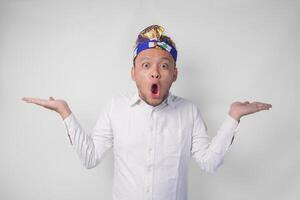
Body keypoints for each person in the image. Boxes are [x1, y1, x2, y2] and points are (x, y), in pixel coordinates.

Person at [22, 25, 272, 200]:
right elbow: (90, 158)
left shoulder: (189, 111)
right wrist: (65, 113)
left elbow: (209, 162)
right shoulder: (114, 108)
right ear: (133, 73)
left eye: (164, 65)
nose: (155, 72)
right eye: (146, 65)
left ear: (174, 74)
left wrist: (233, 117)